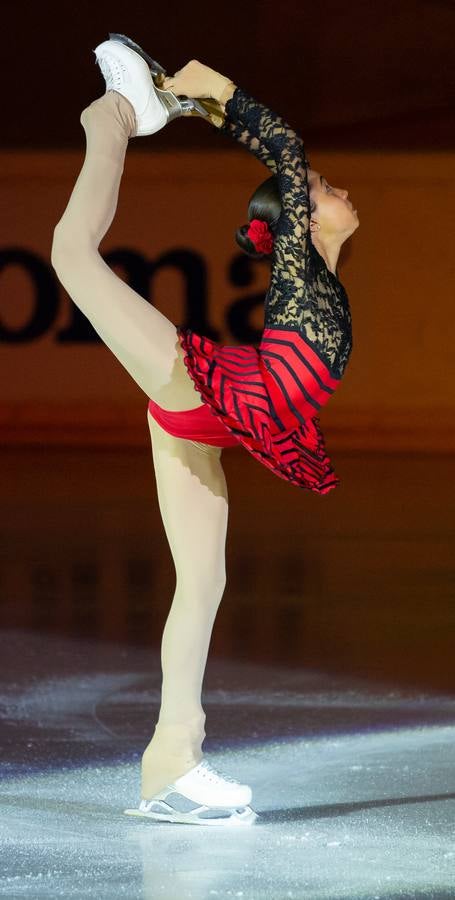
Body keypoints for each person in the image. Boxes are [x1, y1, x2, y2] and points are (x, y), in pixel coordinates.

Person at [51, 33, 359, 826]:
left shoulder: (320, 276)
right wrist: (205, 94)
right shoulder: (297, 262)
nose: (338, 189)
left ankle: (171, 765)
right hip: (207, 390)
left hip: (215, 424)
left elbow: (292, 163)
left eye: (325, 186)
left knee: (204, 582)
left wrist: (197, 103)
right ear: (293, 219)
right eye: (322, 189)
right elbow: (285, 150)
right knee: (72, 256)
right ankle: (112, 115)